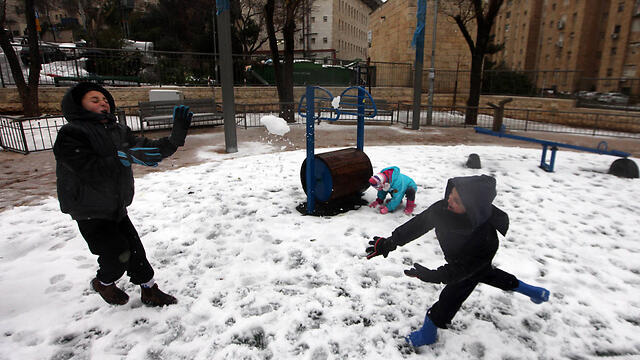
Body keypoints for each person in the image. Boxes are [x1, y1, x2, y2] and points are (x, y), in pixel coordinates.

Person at [365, 175, 550, 346]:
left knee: (449, 300)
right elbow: (418, 225)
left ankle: (429, 332)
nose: (449, 202)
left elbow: (459, 272)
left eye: (456, 200)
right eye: (450, 196)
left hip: (466, 267)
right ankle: (533, 291)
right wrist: (390, 243)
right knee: (488, 274)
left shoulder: (486, 239)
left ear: (473, 208)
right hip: (464, 263)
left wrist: (432, 275)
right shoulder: (442, 209)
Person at [53, 82, 193, 307]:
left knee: (136, 251)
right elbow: (87, 168)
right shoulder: (71, 134)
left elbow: (147, 149)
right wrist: (121, 157)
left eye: (105, 99)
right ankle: (103, 282)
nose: (103, 102)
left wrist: (175, 138)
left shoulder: (118, 130)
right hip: (89, 209)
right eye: (95, 99)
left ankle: (150, 290)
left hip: (115, 204)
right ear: (79, 105)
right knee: (116, 254)